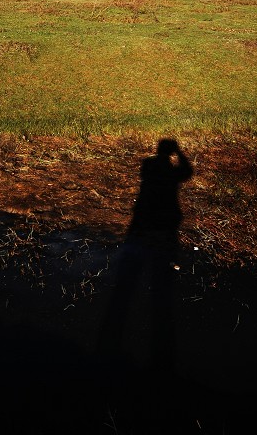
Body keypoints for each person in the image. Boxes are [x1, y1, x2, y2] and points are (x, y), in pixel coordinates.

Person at [97, 139, 193, 370]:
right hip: (163, 224)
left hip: (145, 222)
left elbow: (180, 173)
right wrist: (179, 153)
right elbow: (187, 172)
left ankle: (110, 343)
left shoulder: (149, 165)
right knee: (159, 279)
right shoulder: (166, 171)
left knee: (130, 279)